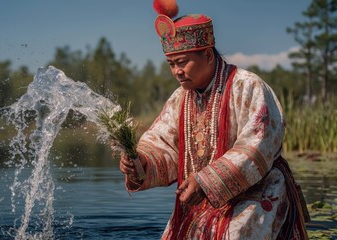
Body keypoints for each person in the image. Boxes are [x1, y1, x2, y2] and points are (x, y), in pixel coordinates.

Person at [118, 1, 310, 239]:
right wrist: (140, 162)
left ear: (208, 55)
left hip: (257, 189)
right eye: (171, 64)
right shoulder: (180, 98)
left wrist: (206, 181)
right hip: (203, 193)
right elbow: (162, 141)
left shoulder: (247, 85)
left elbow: (257, 145)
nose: (177, 71)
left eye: (182, 62)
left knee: (236, 234)